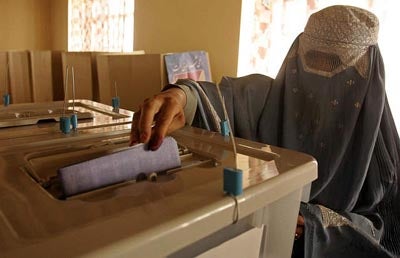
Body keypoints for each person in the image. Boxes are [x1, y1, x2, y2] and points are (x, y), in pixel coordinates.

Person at [130, 5, 400, 258]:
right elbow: (220, 98)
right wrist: (181, 96)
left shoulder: (384, 156)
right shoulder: (269, 101)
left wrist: (318, 227)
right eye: (313, 61)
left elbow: (386, 234)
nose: (322, 84)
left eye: (336, 67)